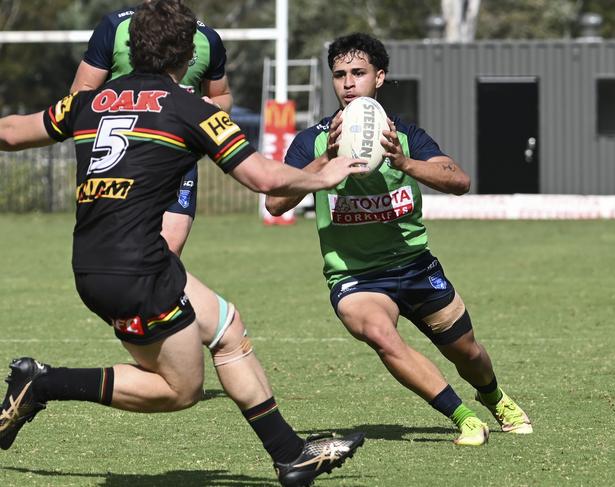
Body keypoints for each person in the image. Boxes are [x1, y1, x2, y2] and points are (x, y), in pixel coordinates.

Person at [0, 3, 367, 486]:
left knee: (228, 328)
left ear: (132, 47)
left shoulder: (87, 102)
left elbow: (9, 132)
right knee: (180, 390)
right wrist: (326, 172)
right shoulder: (192, 109)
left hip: (106, 260)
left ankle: (291, 454)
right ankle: (44, 382)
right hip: (138, 272)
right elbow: (260, 176)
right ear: (187, 52)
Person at [266, 32, 532, 446]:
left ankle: (494, 397)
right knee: (380, 335)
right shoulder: (313, 141)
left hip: (415, 265)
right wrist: (324, 162)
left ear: (380, 77)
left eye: (358, 73)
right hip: (355, 276)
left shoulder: (404, 135)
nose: (348, 83)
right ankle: (463, 417)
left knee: (468, 353)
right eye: (339, 75)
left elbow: (459, 180)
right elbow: (275, 204)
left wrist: (402, 161)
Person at [70, 3, 233, 256]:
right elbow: (80, 95)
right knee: (119, 250)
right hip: (124, 155)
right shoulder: (115, 27)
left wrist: (212, 107)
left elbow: (222, 95)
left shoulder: (206, 38)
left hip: (177, 155)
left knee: (170, 249)